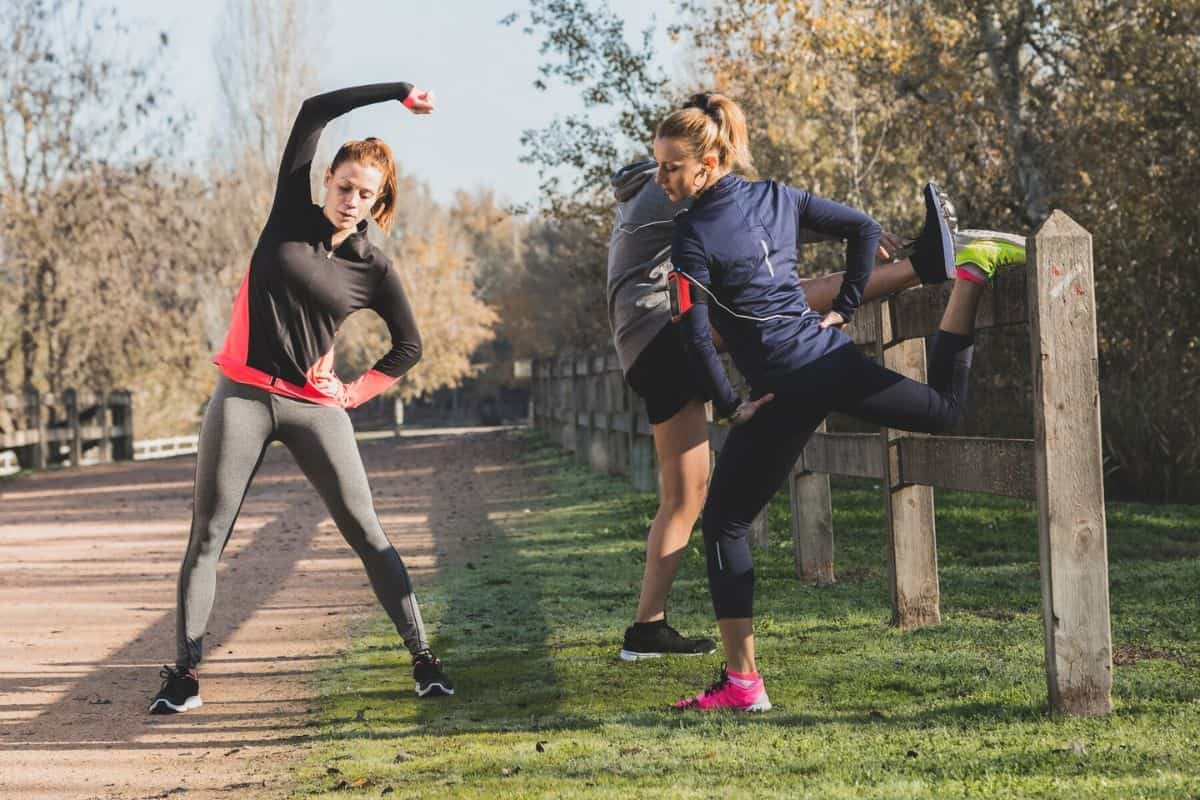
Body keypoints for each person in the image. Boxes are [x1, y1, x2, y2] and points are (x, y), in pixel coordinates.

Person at [652, 92, 1026, 710]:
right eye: (658, 165)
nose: (661, 177)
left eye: (671, 166)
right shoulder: (776, 196)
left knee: (724, 524)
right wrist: (846, 308)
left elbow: (692, 331)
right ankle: (972, 275)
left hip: (782, 387)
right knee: (945, 412)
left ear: (708, 161)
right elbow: (863, 227)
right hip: (829, 362)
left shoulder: (690, 231)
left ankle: (743, 686)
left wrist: (727, 402)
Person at [149, 82, 453, 714]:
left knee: (366, 531)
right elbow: (315, 110)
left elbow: (408, 346)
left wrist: (354, 391)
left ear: (379, 199)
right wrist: (398, 92)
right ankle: (185, 675)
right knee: (208, 535)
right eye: (344, 186)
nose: (351, 200)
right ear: (326, 182)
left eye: (366, 194)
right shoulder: (289, 211)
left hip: (316, 407)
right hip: (242, 397)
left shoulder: (375, 267)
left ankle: (424, 660)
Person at [607, 150, 959, 661]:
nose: (668, 176)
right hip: (665, 338)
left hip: (645, 350)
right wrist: (840, 229)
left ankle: (647, 628)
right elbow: (746, 223)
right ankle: (924, 266)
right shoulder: (658, 197)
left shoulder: (639, 201)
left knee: (685, 497)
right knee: (784, 303)